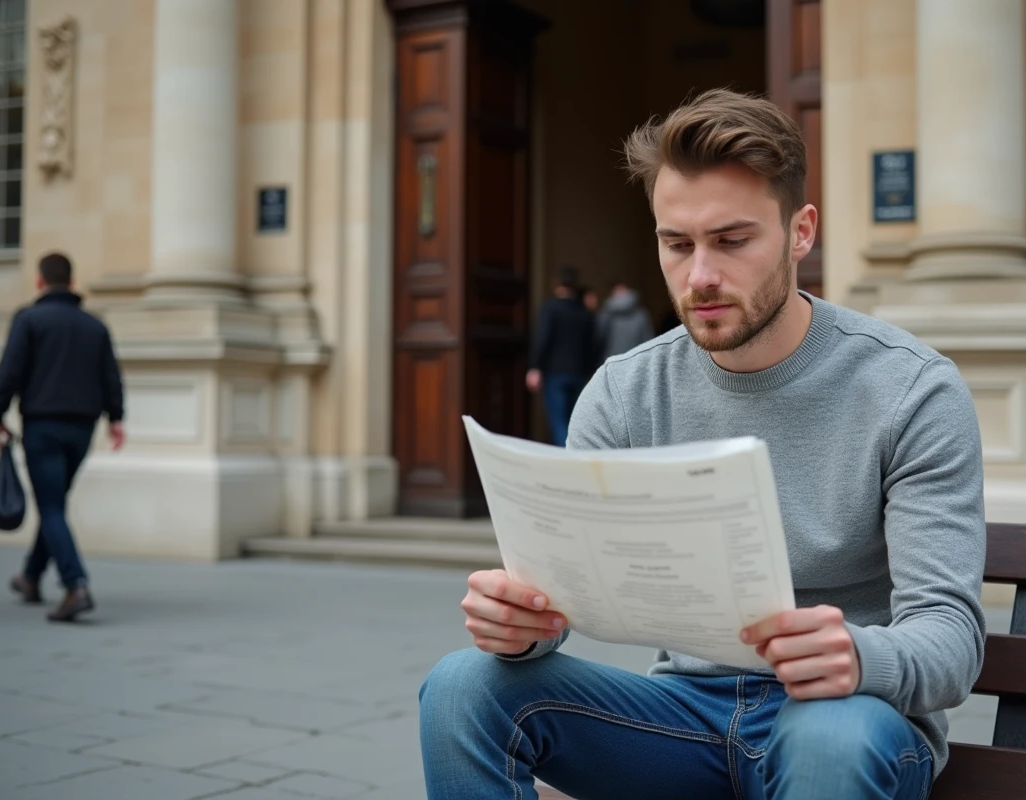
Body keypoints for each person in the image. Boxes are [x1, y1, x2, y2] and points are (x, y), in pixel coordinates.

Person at [420, 88, 986, 800]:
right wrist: (521, 624)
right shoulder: (624, 391)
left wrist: (857, 656)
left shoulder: (911, 390)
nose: (701, 276)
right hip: (681, 718)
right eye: (676, 244)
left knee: (826, 738)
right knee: (462, 686)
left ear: (801, 231)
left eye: (732, 240)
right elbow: (557, 598)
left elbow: (950, 639)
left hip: (847, 719)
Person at [0, 252, 125, 622]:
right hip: (82, 428)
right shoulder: (94, 326)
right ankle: (30, 578)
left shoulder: (29, 319)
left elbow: (11, 370)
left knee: (50, 506)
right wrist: (116, 418)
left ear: (39, 281)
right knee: (55, 504)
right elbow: (110, 375)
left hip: (42, 426)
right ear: (72, 281)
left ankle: (75, 584)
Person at [526, 265, 596, 447]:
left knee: (559, 422)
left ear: (556, 285)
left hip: (555, 373)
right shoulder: (584, 313)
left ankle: (567, 460)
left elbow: (543, 339)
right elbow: (591, 344)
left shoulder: (550, 309)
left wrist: (535, 367)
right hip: (579, 373)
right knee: (576, 421)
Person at [595, 280, 656, 360]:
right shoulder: (641, 314)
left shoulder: (606, 313)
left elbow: (599, 337)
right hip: (636, 359)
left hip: (612, 360)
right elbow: (648, 339)